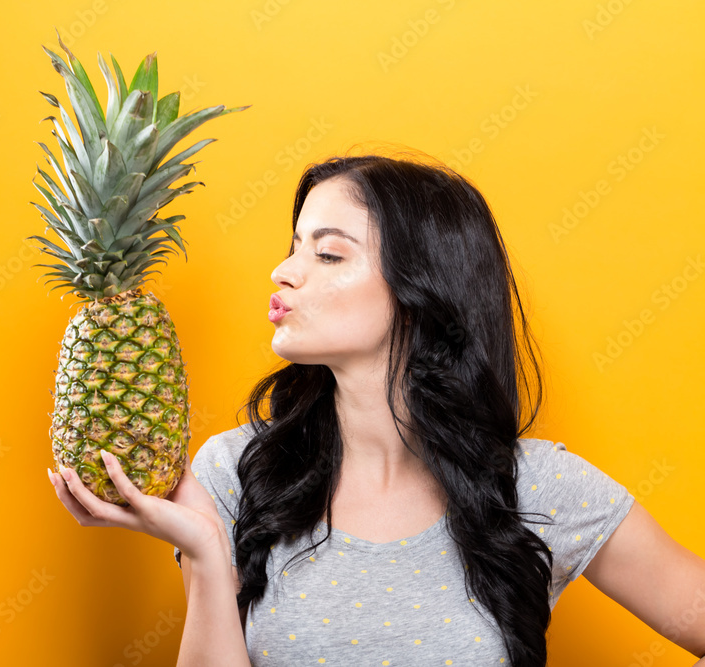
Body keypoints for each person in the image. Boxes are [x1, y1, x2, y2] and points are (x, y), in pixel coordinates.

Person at [47, 153, 705, 666]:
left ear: (421, 289)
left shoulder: (535, 484)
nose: (284, 271)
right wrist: (205, 550)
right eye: (294, 245)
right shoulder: (231, 472)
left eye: (328, 252)